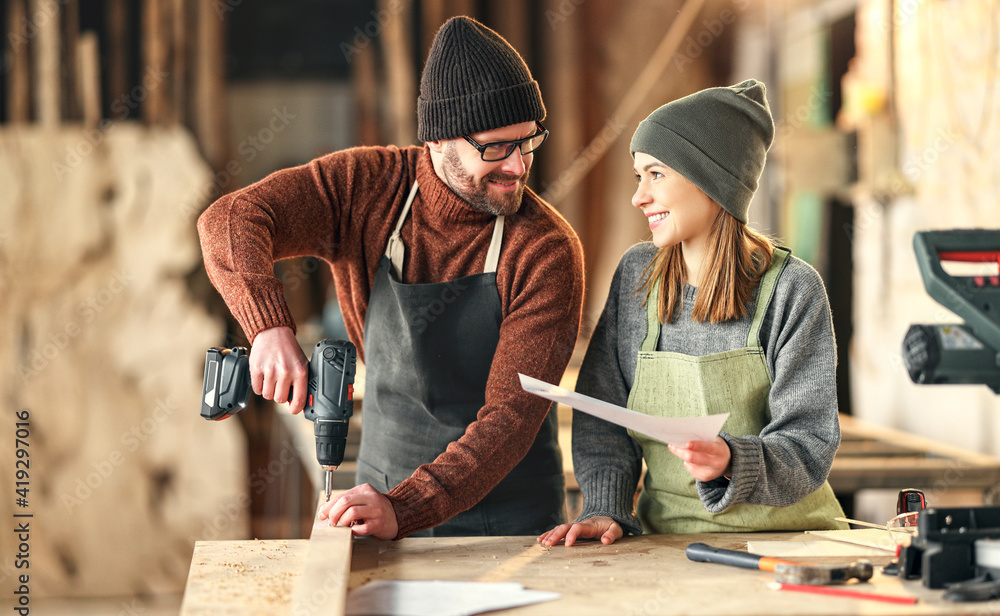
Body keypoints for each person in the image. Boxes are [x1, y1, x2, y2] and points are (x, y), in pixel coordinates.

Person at [198, 16, 584, 540]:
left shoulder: (545, 250)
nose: (517, 166)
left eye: (528, 142)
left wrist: (406, 507)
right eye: (495, 148)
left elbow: (510, 420)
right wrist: (267, 325)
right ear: (439, 139)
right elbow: (228, 219)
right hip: (377, 496)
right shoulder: (365, 188)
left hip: (507, 523)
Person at [538, 79, 845, 547]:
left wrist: (732, 461)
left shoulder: (793, 289)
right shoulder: (637, 276)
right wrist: (605, 507)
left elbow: (809, 442)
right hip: (669, 545)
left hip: (792, 542)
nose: (638, 197)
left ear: (710, 180)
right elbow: (604, 416)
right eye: (638, 176)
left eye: (656, 174)